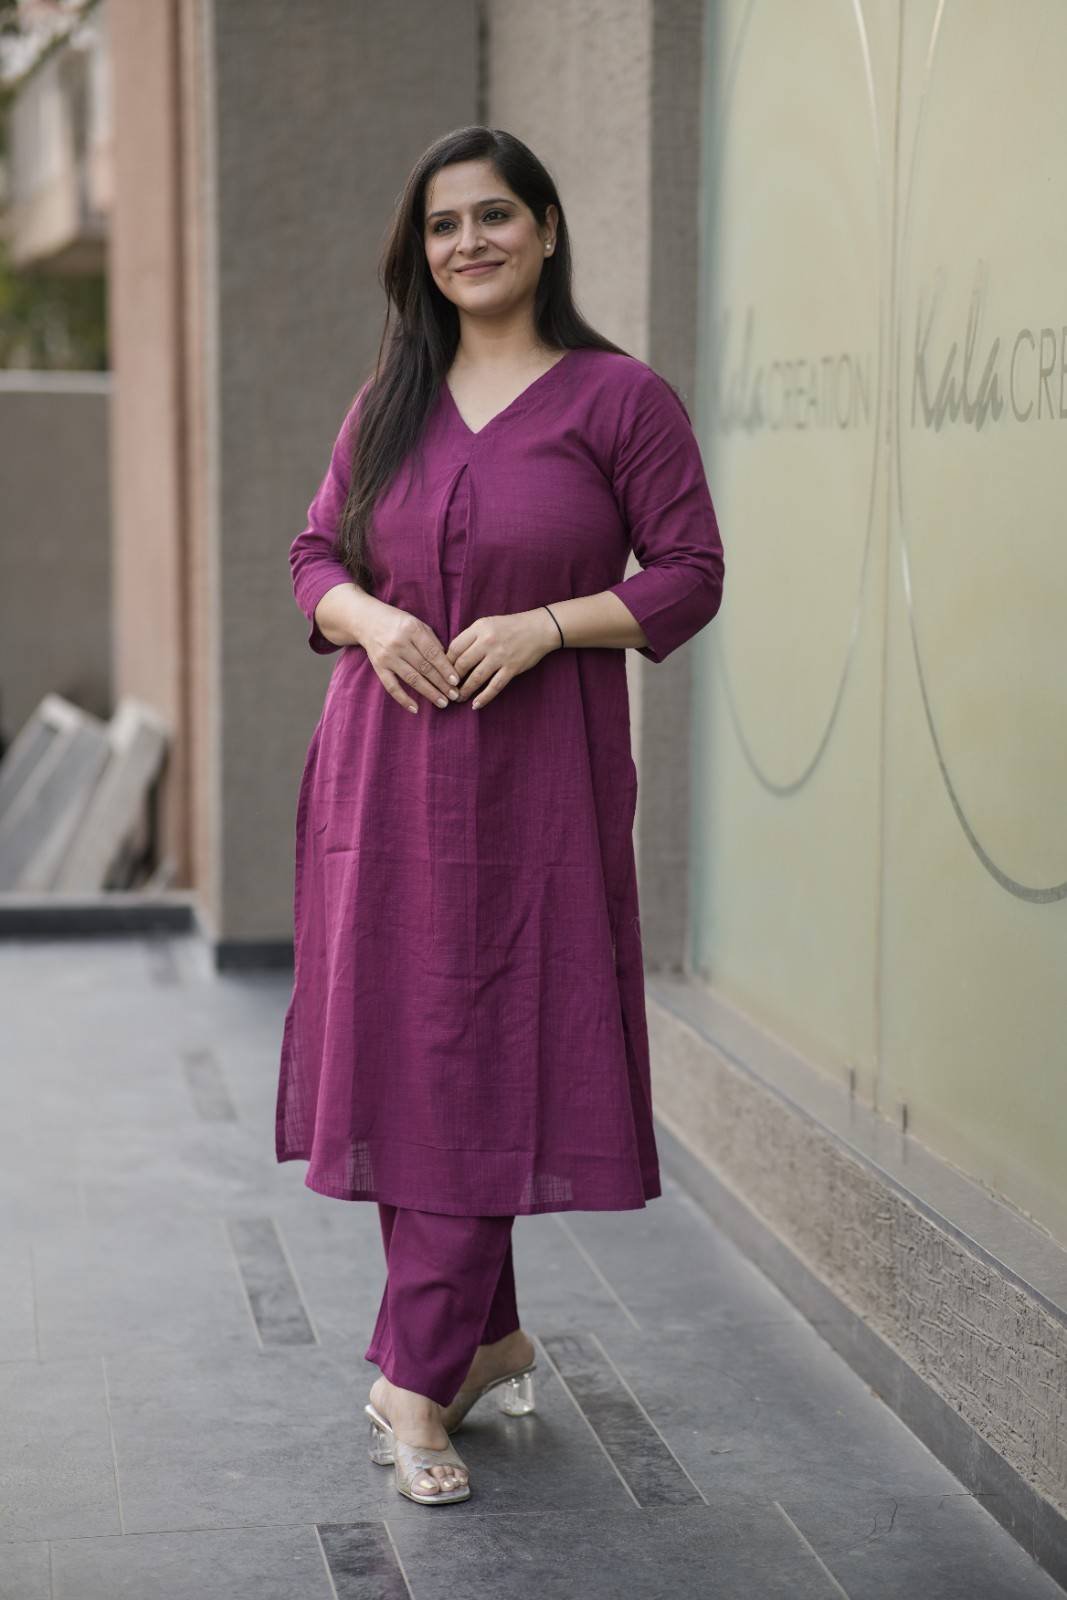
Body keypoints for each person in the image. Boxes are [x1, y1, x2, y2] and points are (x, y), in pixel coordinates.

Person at [275, 125, 725, 1506]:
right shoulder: (390, 402)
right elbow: (313, 557)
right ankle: (486, 1341)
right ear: (420, 253)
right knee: (418, 1051)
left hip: (540, 786)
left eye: (492, 216)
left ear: (545, 229)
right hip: (384, 778)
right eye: (441, 225)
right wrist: (370, 616)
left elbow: (691, 572)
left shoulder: (620, 400)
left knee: (484, 1051)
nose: (466, 242)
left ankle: (412, 1381)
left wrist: (546, 626)